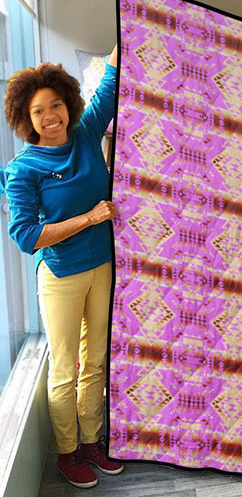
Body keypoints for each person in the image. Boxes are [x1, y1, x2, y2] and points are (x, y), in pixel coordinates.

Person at [3, 44, 124, 489]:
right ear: (26, 118)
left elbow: (110, 82)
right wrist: (89, 219)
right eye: (39, 110)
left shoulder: (87, 133)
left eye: (56, 104)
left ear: (68, 104)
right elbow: (26, 236)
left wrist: (132, 13)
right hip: (60, 275)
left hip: (102, 266)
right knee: (65, 368)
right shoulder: (24, 169)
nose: (50, 115)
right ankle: (67, 454)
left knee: (96, 362)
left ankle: (91, 442)